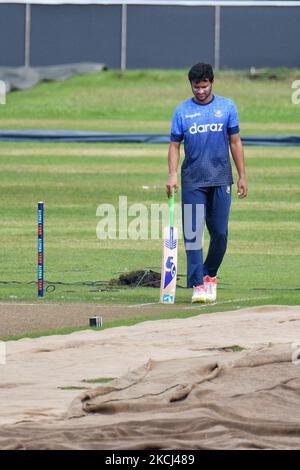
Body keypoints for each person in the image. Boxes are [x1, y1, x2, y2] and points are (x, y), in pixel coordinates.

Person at [166, 63, 248, 303]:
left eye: (204, 86)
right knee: (193, 234)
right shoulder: (182, 111)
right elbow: (174, 145)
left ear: (211, 83)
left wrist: (242, 175)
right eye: (195, 87)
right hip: (192, 181)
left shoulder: (227, 106)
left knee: (220, 234)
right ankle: (197, 285)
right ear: (190, 85)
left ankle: (209, 274)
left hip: (221, 179)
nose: (200, 91)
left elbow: (235, 142)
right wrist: (172, 174)